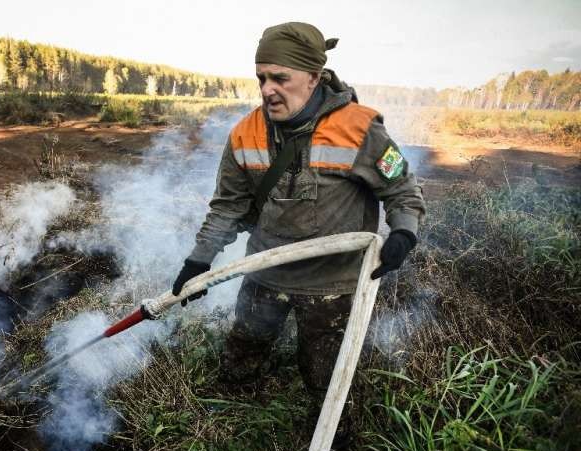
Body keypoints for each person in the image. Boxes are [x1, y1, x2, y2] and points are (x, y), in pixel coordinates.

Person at [171, 22, 425, 427]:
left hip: (333, 284)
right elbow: (228, 207)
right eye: (262, 78)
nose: (268, 88)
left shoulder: (360, 130)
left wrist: (403, 233)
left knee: (327, 378)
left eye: (280, 78)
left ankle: (336, 441)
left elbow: (401, 191)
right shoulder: (245, 134)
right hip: (264, 272)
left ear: (312, 76)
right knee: (243, 352)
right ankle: (232, 418)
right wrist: (198, 262)